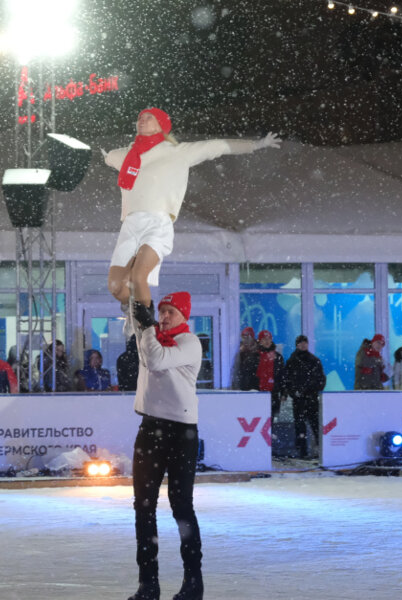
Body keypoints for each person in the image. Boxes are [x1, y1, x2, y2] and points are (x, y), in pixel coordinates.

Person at [103, 107, 280, 327]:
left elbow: (217, 146)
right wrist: (106, 156)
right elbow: (109, 157)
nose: (142, 120)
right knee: (115, 286)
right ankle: (131, 306)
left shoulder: (178, 152)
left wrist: (256, 145)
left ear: (162, 126)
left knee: (139, 276)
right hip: (130, 224)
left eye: (149, 118)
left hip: (157, 222)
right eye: (140, 117)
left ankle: (145, 326)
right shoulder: (128, 155)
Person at [126, 291, 204, 600]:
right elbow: (134, 310)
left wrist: (146, 328)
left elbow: (156, 360)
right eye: (162, 311)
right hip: (150, 428)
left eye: (171, 311)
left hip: (181, 433)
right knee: (143, 508)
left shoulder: (190, 343)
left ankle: (193, 582)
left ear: (185, 315)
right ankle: (148, 584)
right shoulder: (150, 337)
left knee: (181, 506)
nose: (164, 316)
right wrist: (137, 304)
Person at [282, 335, 327, 459]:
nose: (303, 345)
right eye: (301, 343)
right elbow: (287, 379)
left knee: (315, 424)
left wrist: (314, 390)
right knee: (300, 425)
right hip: (299, 398)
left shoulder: (314, 360)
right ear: (297, 345)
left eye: (305, 343)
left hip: (310, 397)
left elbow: (321, 379)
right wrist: (292, 392)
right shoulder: (292, 361)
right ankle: (302, 451)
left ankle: (319, 449)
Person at [233, 326, 260, 391]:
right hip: (243, 384)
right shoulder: (239, 351)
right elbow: (237, 369)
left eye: (247, 337)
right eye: (243, 338)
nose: (245, 340)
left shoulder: (259, 351)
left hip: (255, 384)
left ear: (252, 338)